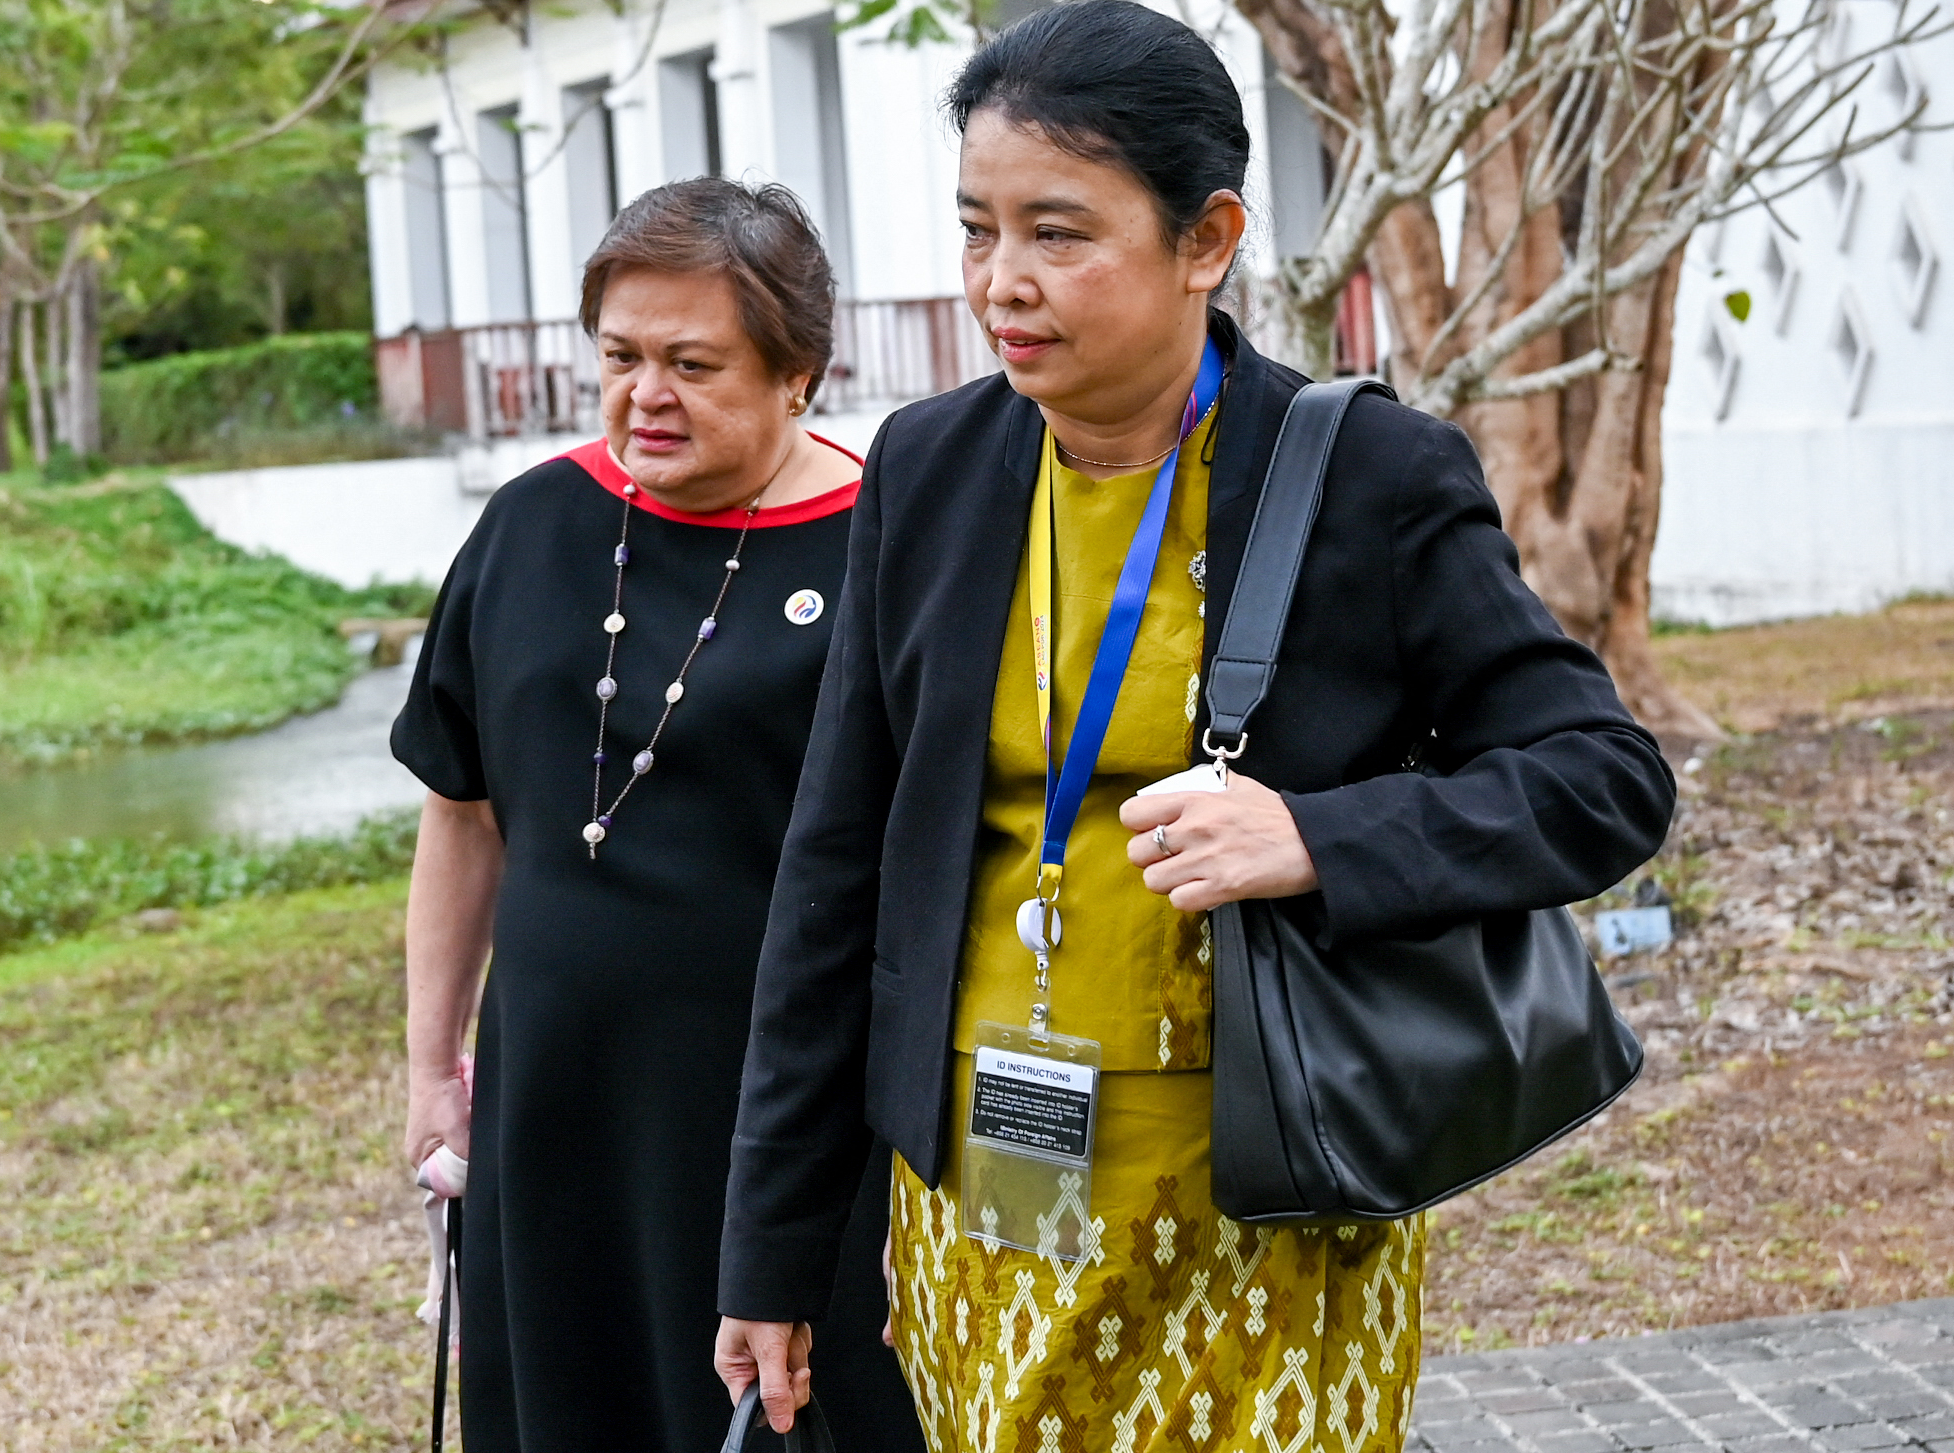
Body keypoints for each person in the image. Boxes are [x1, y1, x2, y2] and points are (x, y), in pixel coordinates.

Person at [712, 5, 1678, 1449]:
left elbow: (1602, 782)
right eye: (976, 231)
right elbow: (831, 864)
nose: (1001, 283)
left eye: (1058, 233)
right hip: (983, 1194)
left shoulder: (1362, 475)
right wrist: (770, 1254)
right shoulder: (927, 469)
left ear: (1205, 237)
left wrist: (1314, 836)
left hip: (1261, 1194)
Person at [394, 177, 923, 1453]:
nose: (646, 394)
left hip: (779, 1107)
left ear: (799, 373)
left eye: (693, 363)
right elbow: (461, 815)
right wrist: (429, 1065)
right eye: (620, 357)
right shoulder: (528, 523)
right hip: (553, 1089)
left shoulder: (880, 546)